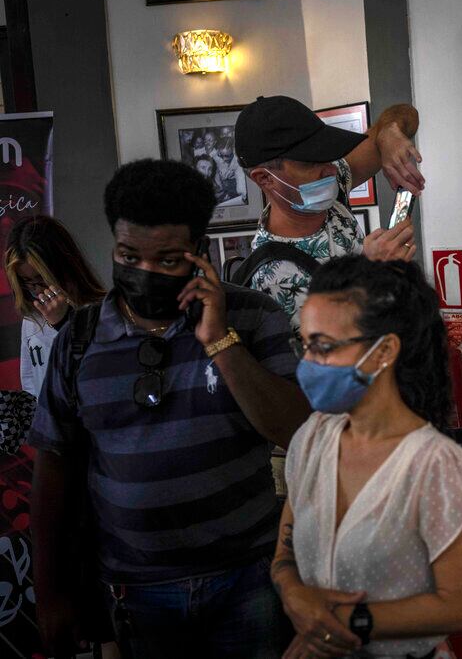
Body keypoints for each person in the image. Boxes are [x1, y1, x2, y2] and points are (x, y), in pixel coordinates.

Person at [28, 158, 310, 658]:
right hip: (135, 589)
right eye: (129, 256)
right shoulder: (79, 338)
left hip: (248, 576)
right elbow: (54, 463)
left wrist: (220, 340)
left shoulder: (253, 316)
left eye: (167, 261)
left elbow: (295, 430)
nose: (144, 273)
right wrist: (49, 592)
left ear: (200, 253)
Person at [272, 255, 462, 658]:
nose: (306, 364)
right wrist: (292, 592)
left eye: (322, 347)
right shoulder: (313, 437)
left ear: (384, 350)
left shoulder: (435, 465)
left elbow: (460, 606)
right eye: (303, 344)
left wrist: (335, 622)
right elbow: (285, 550)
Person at [234, 95, 425, 332]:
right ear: (265, 178)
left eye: (327, 156)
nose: (331, 169)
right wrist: (374, 275)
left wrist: (388, 132)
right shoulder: (273, 277)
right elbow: (331, 360)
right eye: (310, 163)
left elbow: (406, 113)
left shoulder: (330, 186)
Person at [4, 215, 105, 397]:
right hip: (48, 422)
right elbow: (30, 381)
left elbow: (101, 375)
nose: (37, 290)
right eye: (27, 281)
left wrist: (64, 323)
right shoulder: (32, 318)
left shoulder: (102, 310)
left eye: (41, 279)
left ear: (63, 269)